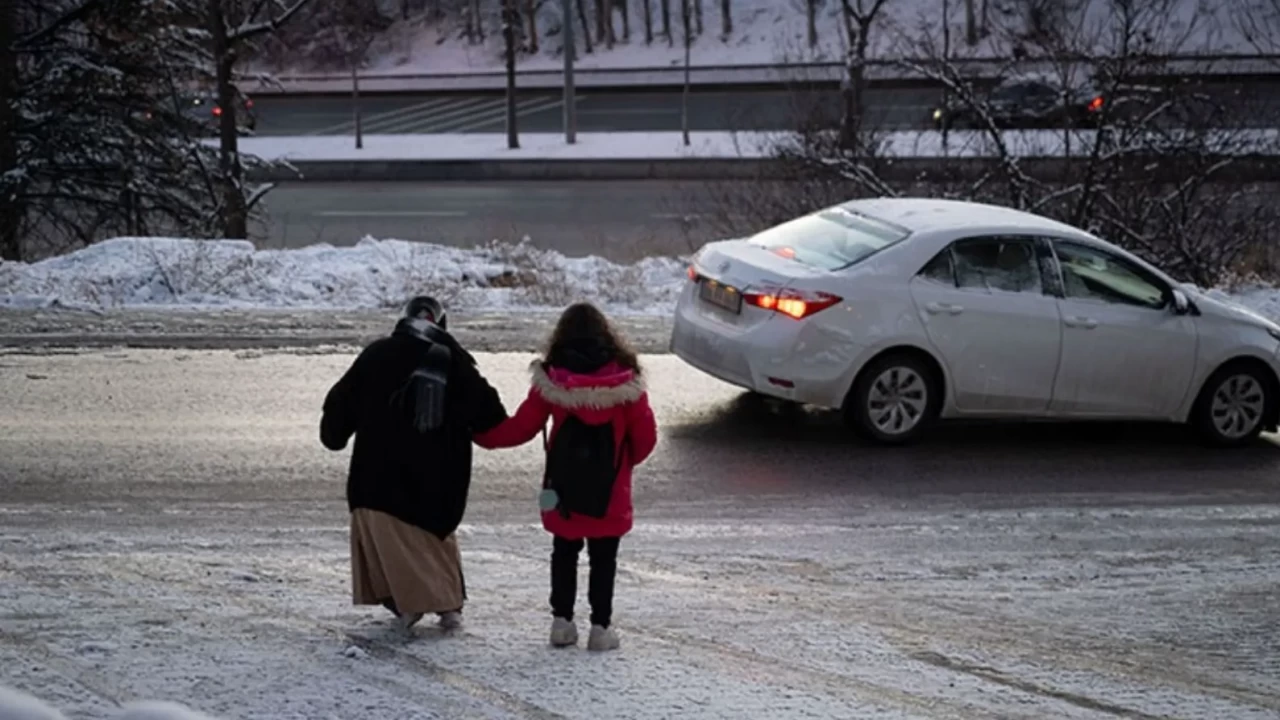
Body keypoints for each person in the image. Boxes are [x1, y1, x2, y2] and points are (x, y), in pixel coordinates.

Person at [476, 302, 657, 651]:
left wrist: (479, 435)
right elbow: (646, 439)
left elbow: (521, 428)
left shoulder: (552, 380)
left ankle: (562, 622)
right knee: (605, 559)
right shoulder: (627, 383)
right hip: (611, 491)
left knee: (563, 551)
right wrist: (624, 465)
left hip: (559, 489)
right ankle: (601, 629)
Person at [321, 296, 507, 631]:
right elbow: (490, 416)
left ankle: (408, 603)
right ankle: (447, 607)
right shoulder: (454, 362)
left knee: (393, 545)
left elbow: (337, 412)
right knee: (434, 542)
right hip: (436, 487)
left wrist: (336, 435)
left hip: (376, 482)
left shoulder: (376, 355)